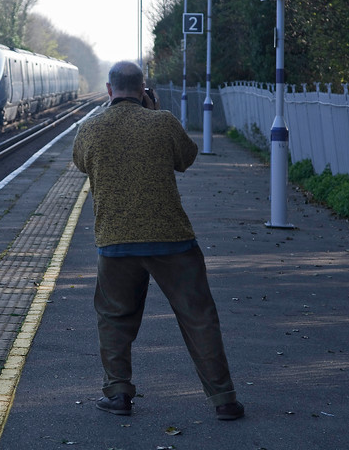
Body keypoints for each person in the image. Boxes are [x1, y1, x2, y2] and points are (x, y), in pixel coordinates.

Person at [71, 60, 244, 421]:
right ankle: (224, 399)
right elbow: (187, 158)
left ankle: (118, 394)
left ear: (108, 90)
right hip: (172, 242)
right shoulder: (162, 122)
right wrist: (157, 111)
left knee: (114, 319)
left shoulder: (91, 128)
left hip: (115, 243)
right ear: (143, 88)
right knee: (199, 318)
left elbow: (81, 164)